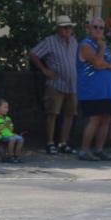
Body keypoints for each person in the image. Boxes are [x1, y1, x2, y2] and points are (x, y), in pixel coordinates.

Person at [29, 15, 79, 155]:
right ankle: (50, 142)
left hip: (72, 84)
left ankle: (63, 142)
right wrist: (44, 69)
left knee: (70, 114)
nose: (67, 30)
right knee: (52, 113)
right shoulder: (50, 41)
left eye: (69, 27)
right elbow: (33, 53)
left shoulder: (74, 41)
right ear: (58, 29)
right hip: (55, 83)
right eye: (64, 27)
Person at [76, 17, 111, 162]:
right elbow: (97, 63)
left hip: (106, 90)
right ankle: (84, 150)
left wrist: (105, 61)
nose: (98, 30)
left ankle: (99, 149)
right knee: (94, 120)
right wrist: (101, 49)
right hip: (91, 90)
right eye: (95, 27)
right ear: (89, 28)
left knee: (106, 119)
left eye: (101, 28)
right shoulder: (85, 45)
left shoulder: (105, 46)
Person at [0, 98, 25, 164]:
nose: (7, 109)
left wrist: (9, 126)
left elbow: (11, 130)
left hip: (9, 135)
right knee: (12, 139)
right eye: (5, 107)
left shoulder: (8, 118)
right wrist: (4, 125)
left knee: (21, 139)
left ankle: (17, 156)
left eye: (7, 107)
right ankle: (10, 156)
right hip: (0, 136)